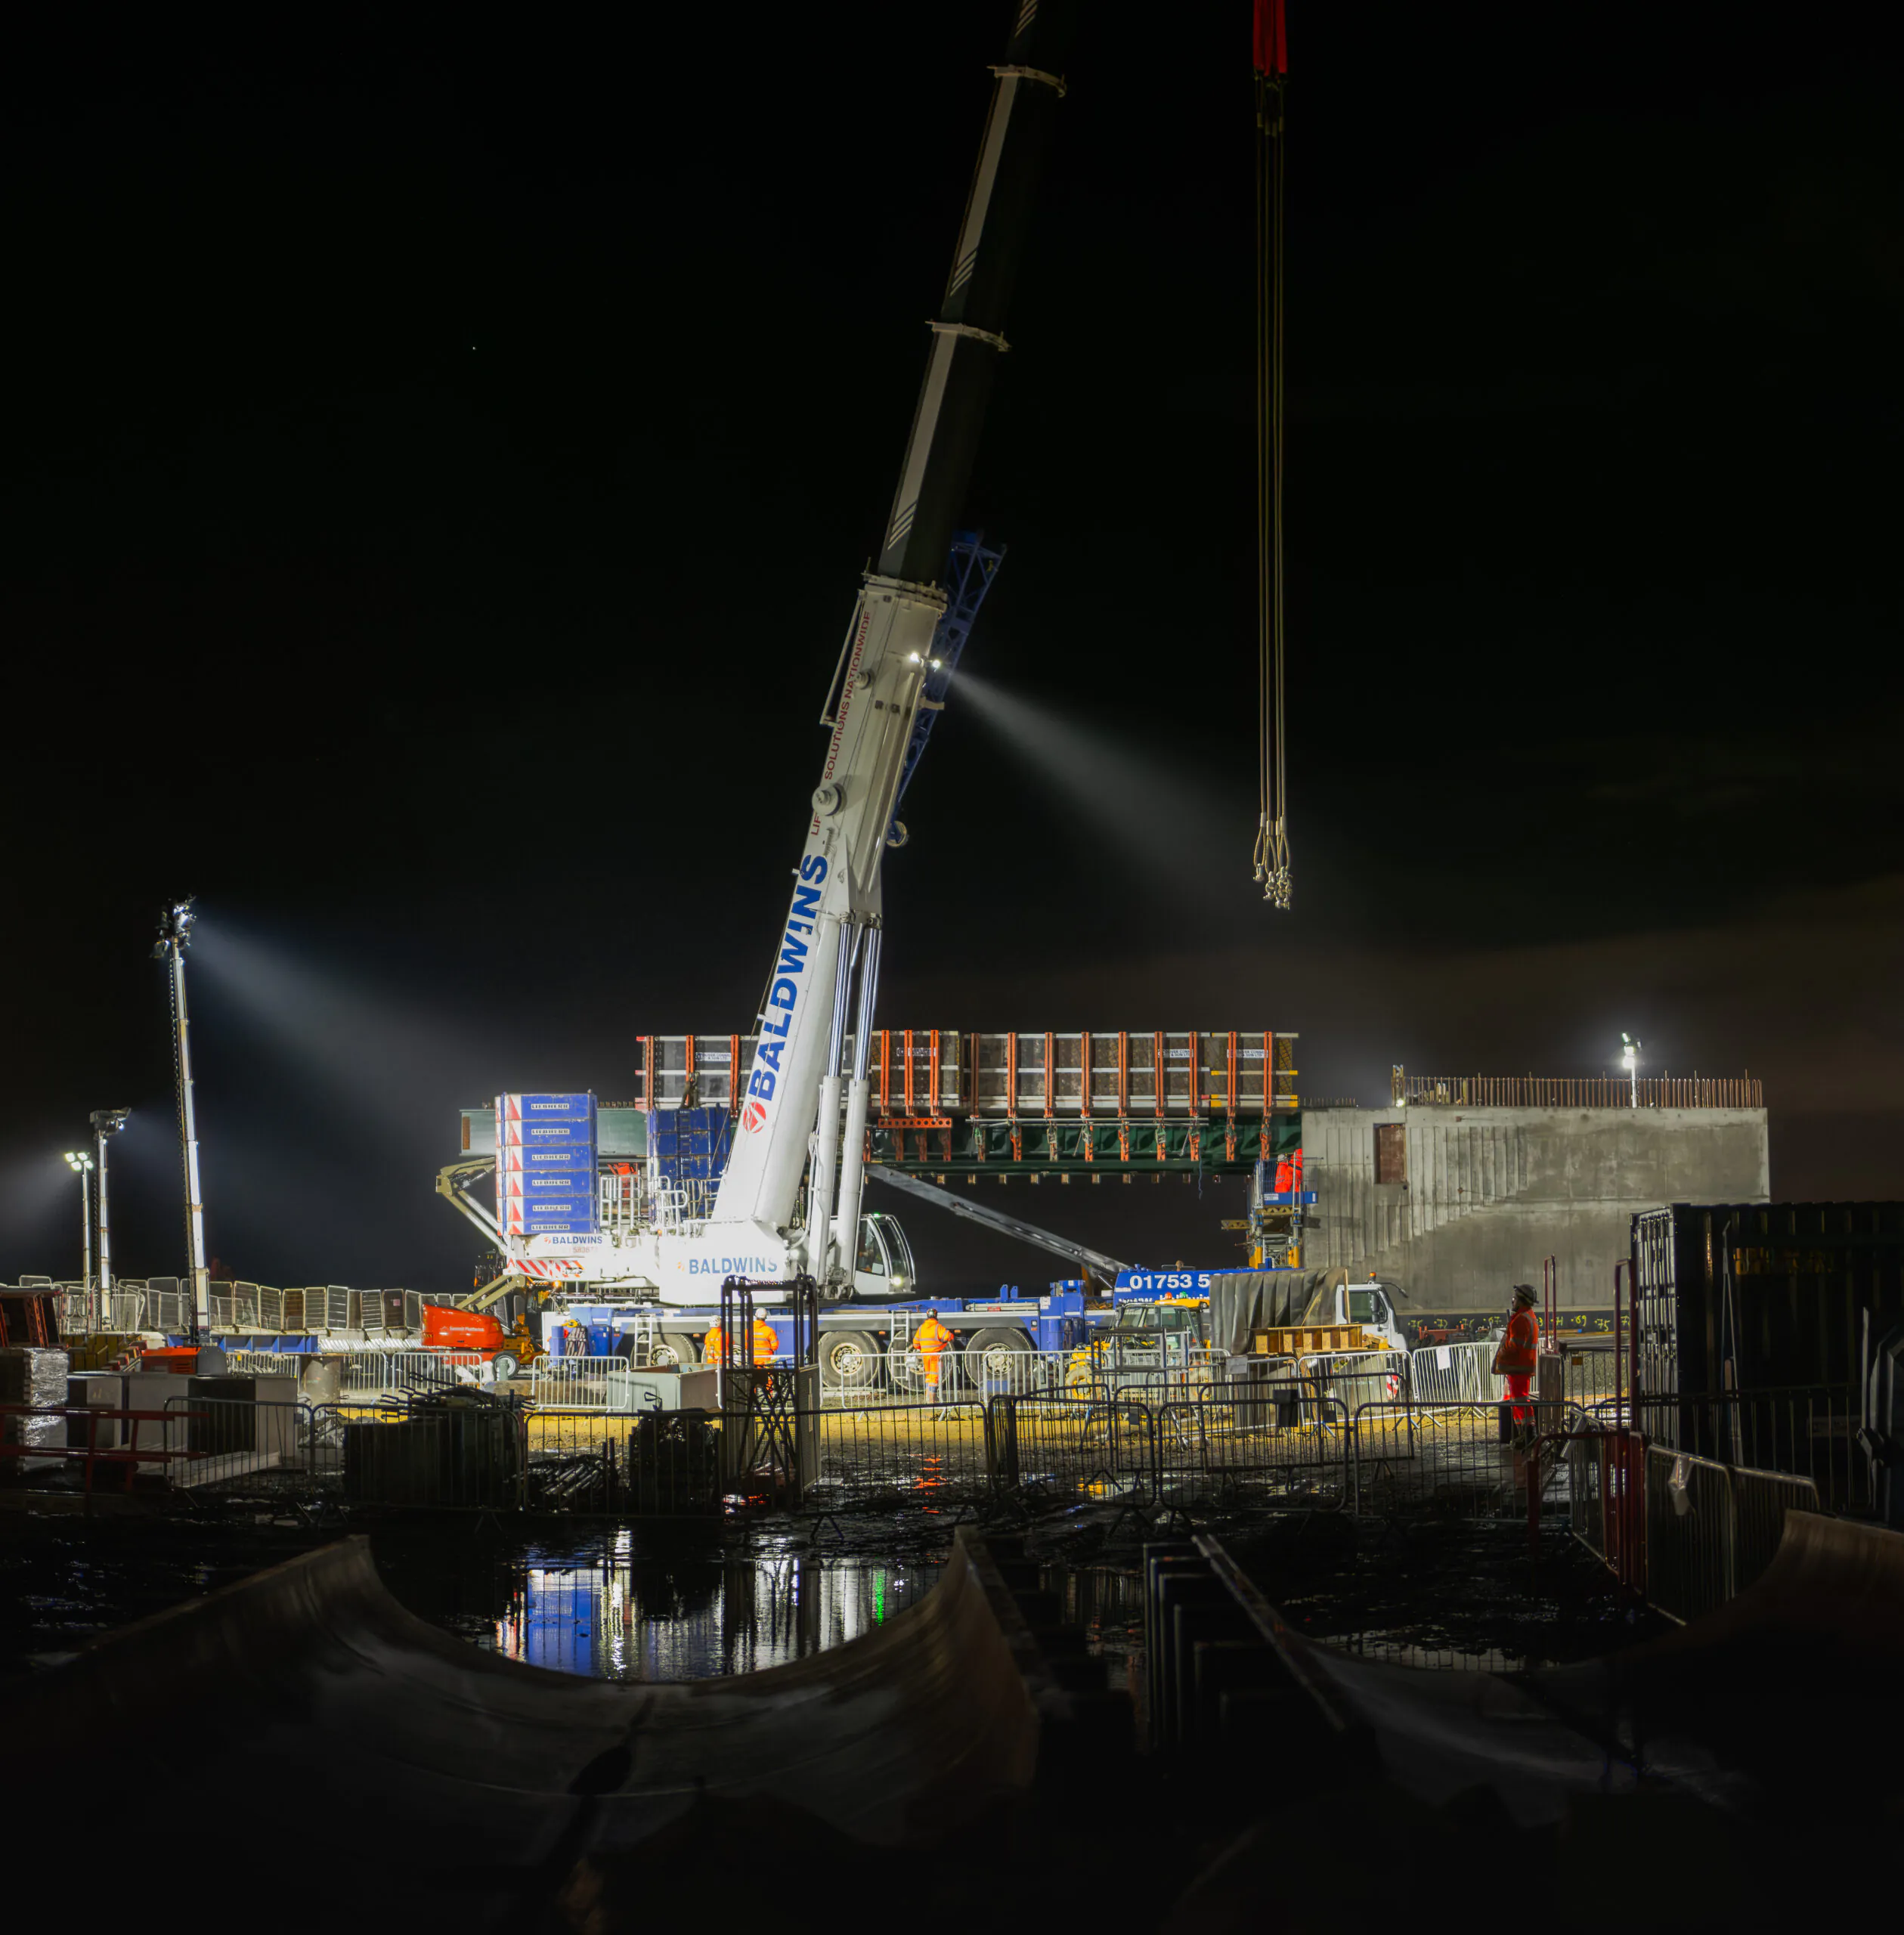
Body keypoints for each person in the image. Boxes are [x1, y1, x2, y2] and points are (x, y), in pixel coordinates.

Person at [1491, 1283, 1540, 1452]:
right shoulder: (1527, 1317)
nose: (1513, 1301)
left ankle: (1529, 1434)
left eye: (1515, 1298)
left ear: (1521, 1300)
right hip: (1520, 1367)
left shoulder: (1521, 1320)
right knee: (1518, 1402)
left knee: (1520, 1402)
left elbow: (1513, 1348)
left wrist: (1501, 1356)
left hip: (1518, 1367)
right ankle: (1523, 1434)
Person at [701, 1314, 779, 1368]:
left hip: (711, 1363)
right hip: (723, 1363)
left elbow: (745, 1345)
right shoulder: (725, 1335)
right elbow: (775, 1346)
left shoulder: (707, 1335)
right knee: (768, 1377)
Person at [911, 1309, 955, 1401]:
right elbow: (948, 1336)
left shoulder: (921, 1328)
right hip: (935, 1356)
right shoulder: (938, 1327)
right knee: (934, 1378)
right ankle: (932, 1400)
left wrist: (923, 1349)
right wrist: (945, 1341)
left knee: (928, 1377)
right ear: (936, 1316)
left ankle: (928, 1399)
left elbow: (915, 1344)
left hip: (925, 1356)